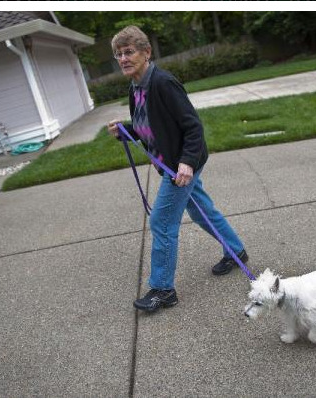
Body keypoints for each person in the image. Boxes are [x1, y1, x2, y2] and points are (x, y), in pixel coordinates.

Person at [107, 26, 248, 312]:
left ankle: (163, 289)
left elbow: (193, 127)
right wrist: (127, 130)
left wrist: (187, 163)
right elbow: (151, 127)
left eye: (129, 52)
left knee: (161, 222)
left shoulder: (163, 83)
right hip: (173, 164)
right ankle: (236, 251)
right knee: (201, 210)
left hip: (180, 166)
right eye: (118, 54)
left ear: (146, 52)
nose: (123, 59)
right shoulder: (135, 88)